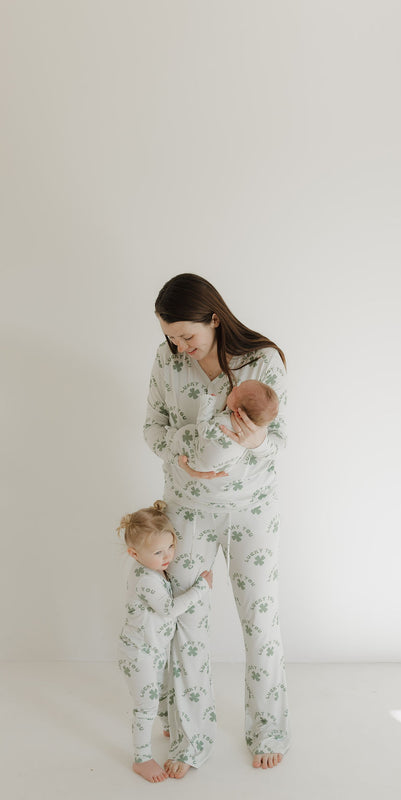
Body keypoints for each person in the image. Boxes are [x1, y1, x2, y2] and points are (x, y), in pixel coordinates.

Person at [144, 273, 290, 776]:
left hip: (252, 509)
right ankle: (189, 734)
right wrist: (186, 454)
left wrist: (253, 444)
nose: (179, 346)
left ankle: (268, 727)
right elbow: (152, 428)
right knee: (185, 621)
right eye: (170, 336)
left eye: (187, 336)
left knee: (261, 620)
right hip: (186, 508)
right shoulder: (167, 360)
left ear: (213, 317)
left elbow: (280, 441)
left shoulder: (263, 361)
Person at [117, 500, 213, 783]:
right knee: (145, 704)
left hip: (153, 649)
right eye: (158, 552)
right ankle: (142, 757)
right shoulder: (145, 579)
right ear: (134, 553)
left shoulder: (156, 569)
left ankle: (167, 726)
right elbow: (170, 609)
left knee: (160, 690)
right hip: (138, 653)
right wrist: (201, 589)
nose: (167, 555)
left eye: (170, 547)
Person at [165, 379, 279, 474]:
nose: (234, 388)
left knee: (187, 432)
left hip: (198, 461)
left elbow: (203, 430)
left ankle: (171, 439)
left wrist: (207, 404)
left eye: (236, 391)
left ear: (239, 413)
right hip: (221, 467)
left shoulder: (224, 423)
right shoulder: (256, 429)